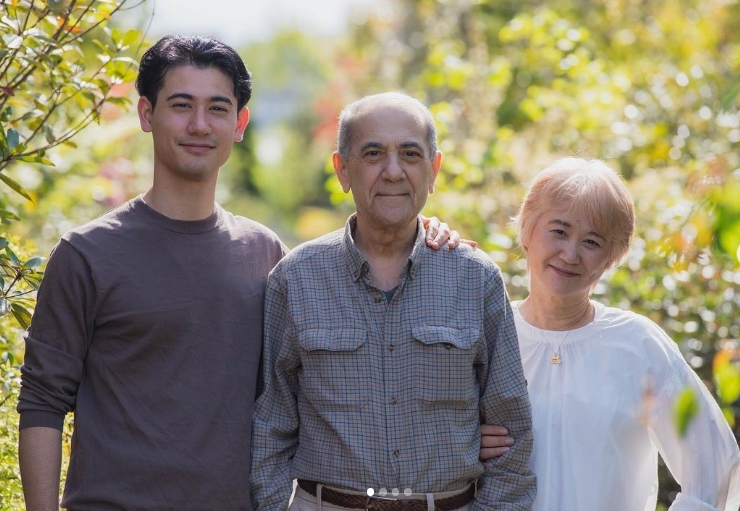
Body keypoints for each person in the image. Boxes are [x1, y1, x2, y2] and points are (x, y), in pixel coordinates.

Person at [16, 36, 458, 511]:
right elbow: (43, 402)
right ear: (147, 114)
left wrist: (422, 235)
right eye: (181, 105)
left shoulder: (267, 254)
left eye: (218, 108)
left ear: (240, 123)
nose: (200, 125)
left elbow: (353, 350)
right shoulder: (87, 254)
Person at [250, 92, 536, 511]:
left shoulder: (475, 279)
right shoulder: (296, 280)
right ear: (342, 170)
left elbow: (512, 432)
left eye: (410, 153)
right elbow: (269, 426)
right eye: (372, 153)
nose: (393, 171)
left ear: (433, 170)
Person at [502, 156, 740, 510]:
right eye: (559, 230)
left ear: (612, 257)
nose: (570, 254)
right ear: (526, 231)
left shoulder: (638, 345)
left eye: (592, 242)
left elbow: (716, 469)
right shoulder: (491, 336)